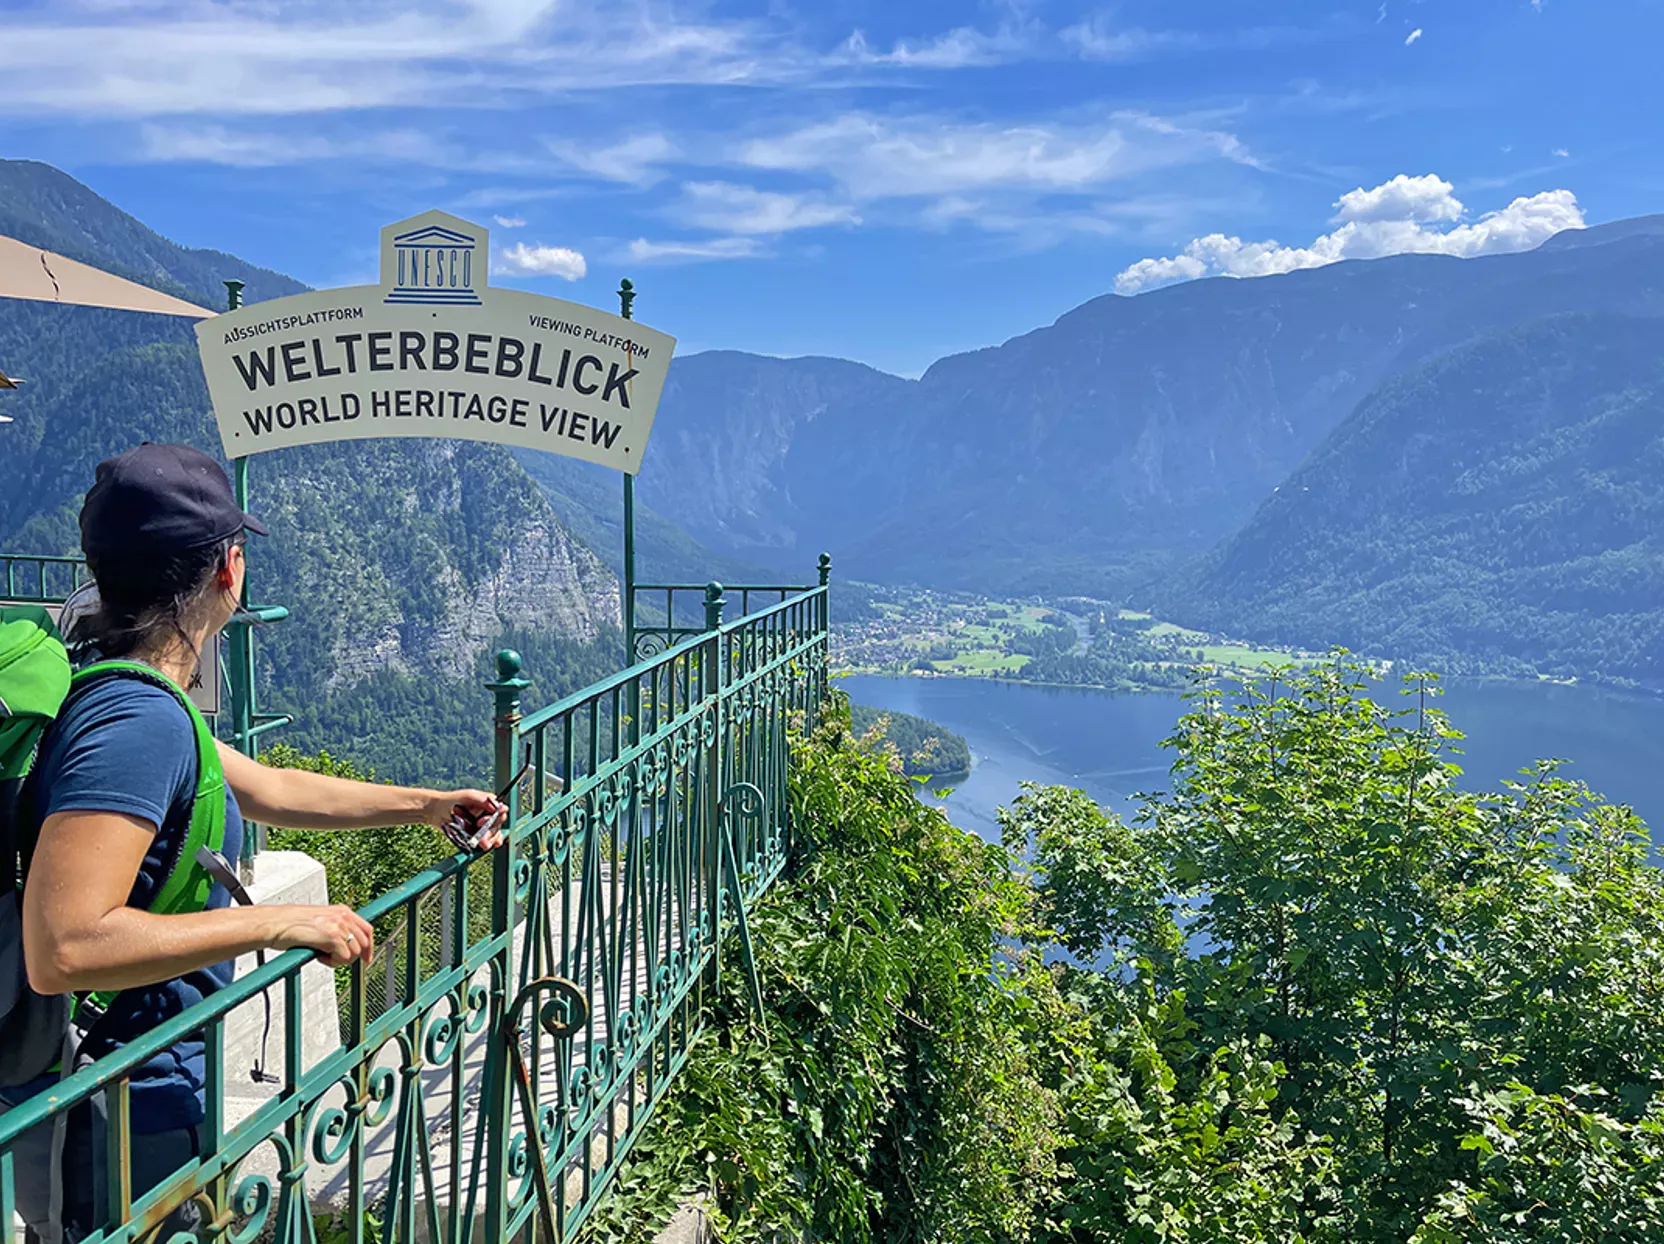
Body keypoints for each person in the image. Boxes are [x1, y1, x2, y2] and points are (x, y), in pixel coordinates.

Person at [0, 443, 510, 1242]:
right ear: (227, 570)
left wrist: (427, 805)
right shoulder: (136, 724)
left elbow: (265, 786)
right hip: (124, 1095)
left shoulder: (130, 691)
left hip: (142, 1080)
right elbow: (64, 944)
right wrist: (281, 925)